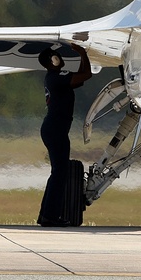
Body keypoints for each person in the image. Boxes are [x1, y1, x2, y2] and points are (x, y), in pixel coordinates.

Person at [36, 44, 92, 227]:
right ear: (53, 61)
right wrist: (83, 53)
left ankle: (47, 215)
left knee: (58, 173)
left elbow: (81, 77)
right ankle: (50, 217)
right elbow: (86, 75)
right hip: (55, 129)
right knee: (59, 173)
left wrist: (83, 56)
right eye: (57, 56)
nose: (60, 57)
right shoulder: (56, 77)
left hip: (54, 129)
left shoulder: (56, 78)